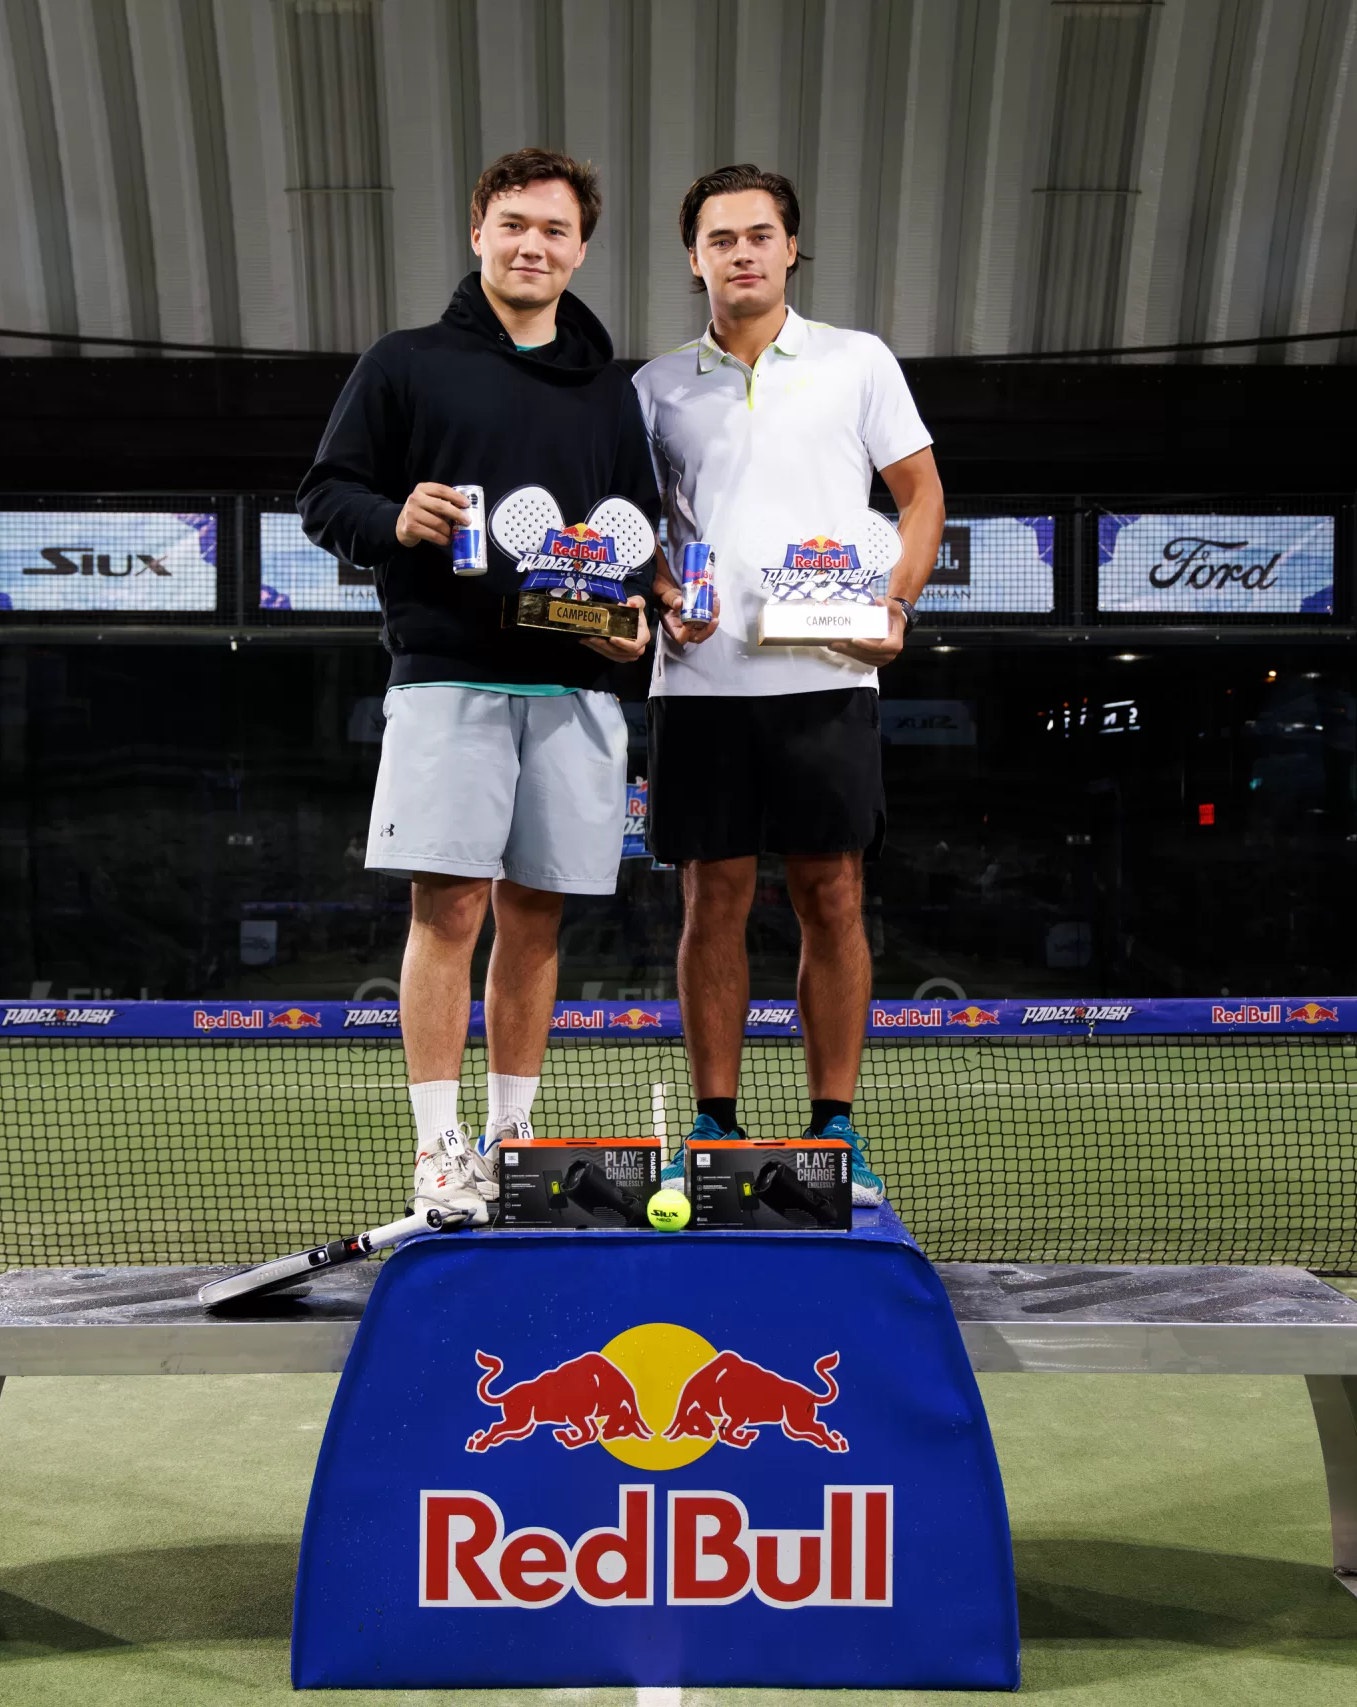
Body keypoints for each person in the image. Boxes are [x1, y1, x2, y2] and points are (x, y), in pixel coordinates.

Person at [298, 148, 656, 1226]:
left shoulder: (609, 393)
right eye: (512, 224)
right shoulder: (404, 363)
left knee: (537, 919)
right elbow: (325, 497)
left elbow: (632, 536)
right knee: (446, 907)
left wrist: (632, 615)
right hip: (448, 676)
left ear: (580, 247)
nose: (531, 244)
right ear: (476, 233)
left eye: (552, 229)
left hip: (576, 690)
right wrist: (390, 521)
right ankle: (437, 1150)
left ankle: (511, 1140)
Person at [636, 164, 946, 1205]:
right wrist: (661, 589)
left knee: (832, 893)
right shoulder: (652, 386)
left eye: (759, 235)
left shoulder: (858, 362)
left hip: (827, 676)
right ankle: (714, 1128)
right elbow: (638, 537)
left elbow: (920, 498)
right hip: (699, 684)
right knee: (710, 901)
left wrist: (893, 608)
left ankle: (834, 1130)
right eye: (720, 238)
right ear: (695, 259)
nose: (741, 252)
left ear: (789, 249)